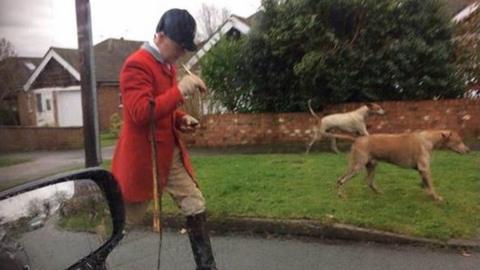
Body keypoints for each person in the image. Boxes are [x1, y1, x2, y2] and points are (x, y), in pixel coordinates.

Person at [111, 8, 217, 270]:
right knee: (123, 223)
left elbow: (162, 107)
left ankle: (207, 267)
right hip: (144, 161)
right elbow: (140, 113)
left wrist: (180, 119)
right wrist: (181, 90)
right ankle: (92, 261)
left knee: (194, 202)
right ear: (159, 35)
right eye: (179, 45)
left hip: (170, 156)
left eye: (185, 47)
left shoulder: (167, 66)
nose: (182, 52)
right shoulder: (137, 64)